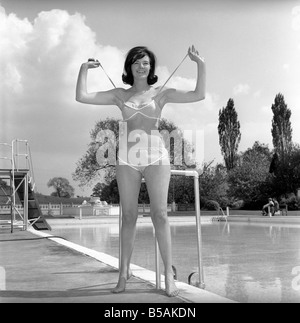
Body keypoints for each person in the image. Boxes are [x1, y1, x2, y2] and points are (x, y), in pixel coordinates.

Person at [76, 45, 206, 297]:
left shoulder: (162, 93)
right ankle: (123, 273)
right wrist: (83, 69)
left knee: (160, 215)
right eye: (136, 62)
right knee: (128, 217)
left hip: (156, 157)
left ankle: (169, 274)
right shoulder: (119, 95)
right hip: (126, 160)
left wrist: (200, 63)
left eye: (145, 62)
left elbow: (198, 94)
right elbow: (82, 96)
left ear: (151, 67)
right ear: (129, 67)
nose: (141, 66)